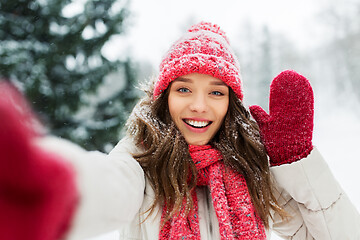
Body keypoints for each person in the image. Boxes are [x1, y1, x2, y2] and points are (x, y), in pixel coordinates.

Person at [0, 22, 359, 240]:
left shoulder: (251, 169)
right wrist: (45, 184)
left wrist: (296, 163)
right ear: (164, 97)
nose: (199, 105)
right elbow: (109, 187)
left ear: (231, 104)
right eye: (184, 89)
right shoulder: (140, 159)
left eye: (216, 92)